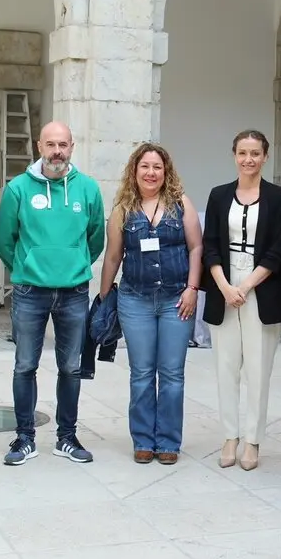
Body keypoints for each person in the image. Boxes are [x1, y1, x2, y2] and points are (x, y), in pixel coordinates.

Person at [0, 121, 105, 466]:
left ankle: (66, 437)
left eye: (63, 145)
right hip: (30, 292)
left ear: (72, 147)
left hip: (74, 292)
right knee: (25, 365)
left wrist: (74, 265)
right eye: (51, 145)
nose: (57, 151)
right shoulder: (18, 189)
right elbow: (4, 240)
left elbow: (96, 238)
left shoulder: (88, 189)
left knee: (70, 367)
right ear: (39, 147)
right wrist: (28, 267)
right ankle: (25, 438)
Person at [98, 143, 204, 465]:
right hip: (135, 301)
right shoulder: (122, 209)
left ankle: (168, 441)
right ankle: (143, 440)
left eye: (157, 167)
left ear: (166, 171)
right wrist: (104, 298)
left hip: (176, 301)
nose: (151, 172)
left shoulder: (181, 204)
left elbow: (196, 248)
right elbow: (113, 256)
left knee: (172, 374)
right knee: (142, 373)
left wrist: (192, 288)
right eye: (145, 166)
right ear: (135, 171)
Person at [201, 130, 281, 471]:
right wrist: (225, 286)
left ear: (265, 156)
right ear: (234, 155)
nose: (248, 159)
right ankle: (230, 436)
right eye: (242, 153)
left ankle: (252, 440)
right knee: (226, 368)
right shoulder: (219, 195)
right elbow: (210, 244)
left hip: (261, 287)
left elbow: (277, 250)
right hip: (224, 284)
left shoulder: (278, 197)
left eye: (255, 153)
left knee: (258, 369)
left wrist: (247, 285)